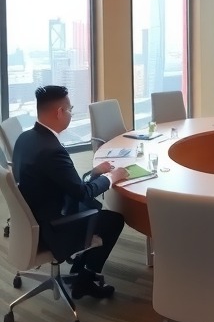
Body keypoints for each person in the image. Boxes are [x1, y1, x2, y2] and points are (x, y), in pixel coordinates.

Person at [13, 85, 129, 300]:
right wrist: (112, 177)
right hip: (53, 227)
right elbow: (82, 194)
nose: (71, 114)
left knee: (94, 209)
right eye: (70, 109)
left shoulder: (26, 138)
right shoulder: (51, 150)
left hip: (35, 217)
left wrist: (94, 173)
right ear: (60, 112)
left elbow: (62, 182)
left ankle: (78, 268)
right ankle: (85, 281)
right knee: (113, 220)